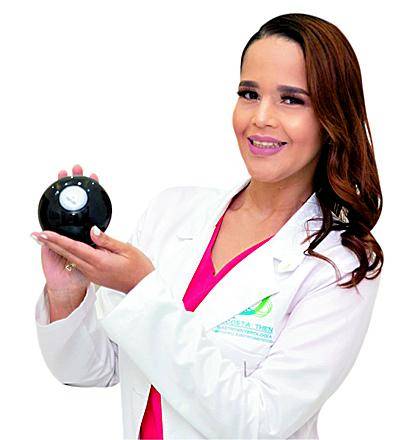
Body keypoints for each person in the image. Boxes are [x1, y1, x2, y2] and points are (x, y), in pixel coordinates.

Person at [33, 12, 384, 440]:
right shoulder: (171, 212)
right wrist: (67, 293)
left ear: (332, 118)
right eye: (249, 94)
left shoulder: (340, 265)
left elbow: (259, 423)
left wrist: (141, 291)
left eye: (292, 100)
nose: (261, 117)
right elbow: (95, 369)